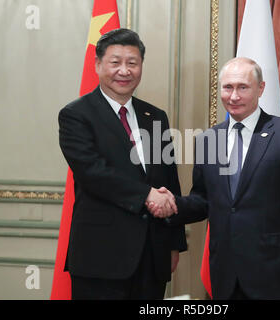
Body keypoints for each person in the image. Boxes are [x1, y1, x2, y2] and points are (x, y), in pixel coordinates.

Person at [148, 57, 280, 300]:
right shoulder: (208, 139)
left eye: (243, 87)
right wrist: (172, 205)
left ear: (260, 89)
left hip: (275, 271)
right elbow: (203, 199)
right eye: (228, 87)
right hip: (225, 272)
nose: (234, 96)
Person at [58, 28, 187, 300]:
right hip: (100, 257)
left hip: (152, 255)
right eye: (115, 62)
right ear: (98, 65)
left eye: (132, 63)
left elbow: (169, 179)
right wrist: (146, 195)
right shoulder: (76, 115)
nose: (124, 71)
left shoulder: (155, 117)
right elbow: (93, 173)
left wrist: (174, 243)